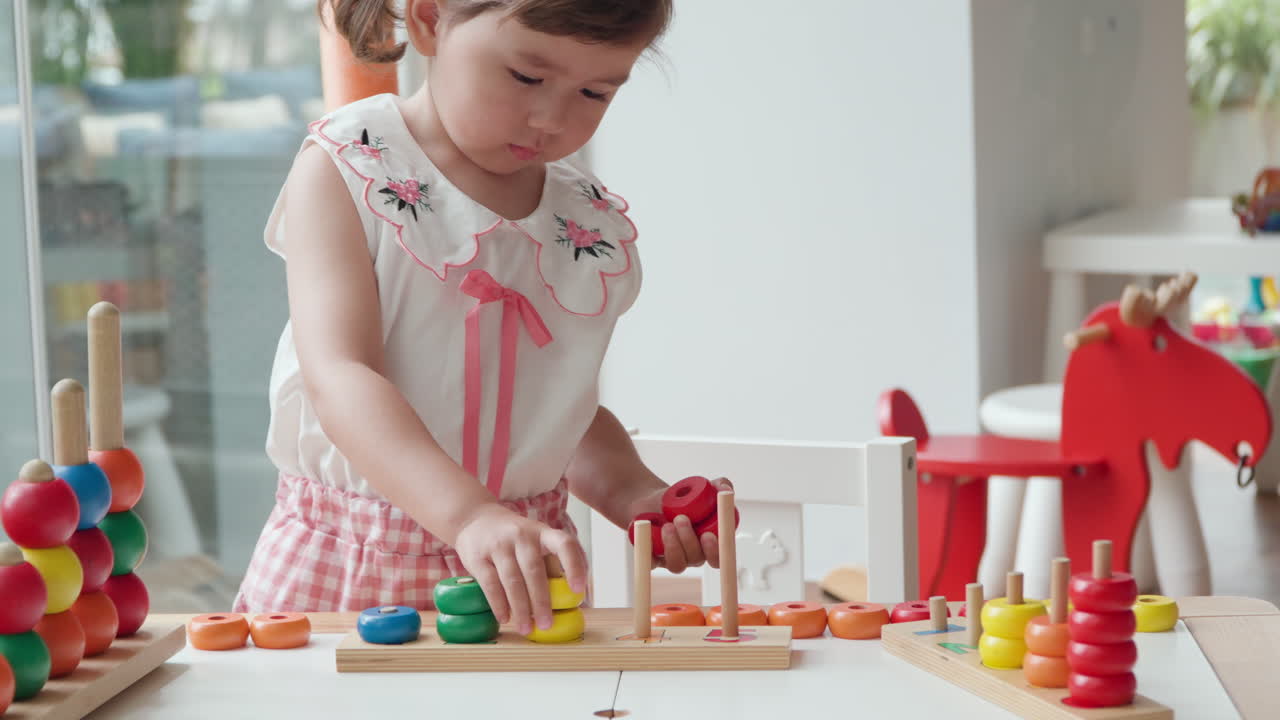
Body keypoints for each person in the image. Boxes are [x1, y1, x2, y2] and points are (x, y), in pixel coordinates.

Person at [233, 0, 728, 637]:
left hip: (523, 578)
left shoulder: (583, 224)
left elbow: (559, 413)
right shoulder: (350, 166)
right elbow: (340, 374)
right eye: (525, 76)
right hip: (352, 566)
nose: (551, 118)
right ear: (432, 19)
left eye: (595, 91)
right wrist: (469, 516)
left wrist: (633, 494)